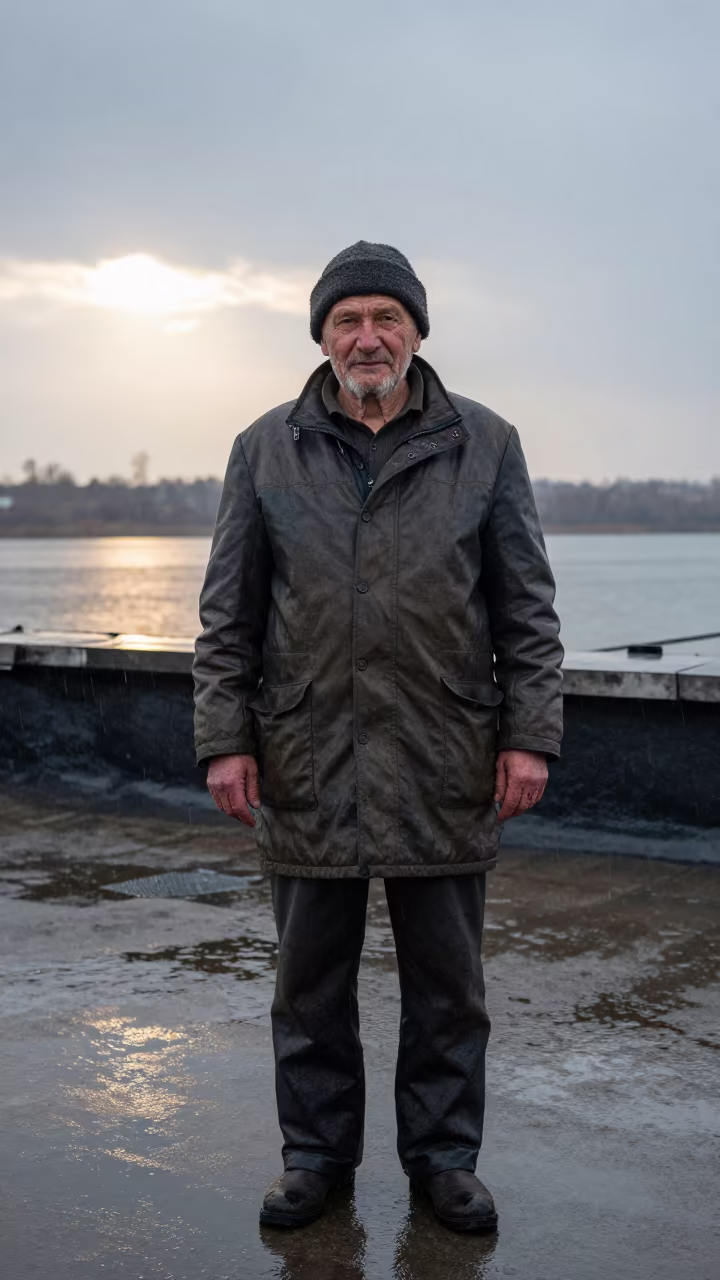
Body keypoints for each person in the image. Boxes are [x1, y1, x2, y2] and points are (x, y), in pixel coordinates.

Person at [193, 241, 563, 1233]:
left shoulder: (485, 443)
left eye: (386, 318)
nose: (368, 336)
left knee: (450, 984)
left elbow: (525, 608)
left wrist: (531, 736)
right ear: (322, 334)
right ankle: (315, 1155)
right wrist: (225, 740)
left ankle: (445, 1159)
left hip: (445, 754)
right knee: (308, 982)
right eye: (348, 319)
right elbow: (227, 618)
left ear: (415, 332)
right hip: (307, 754)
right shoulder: (265, 447)